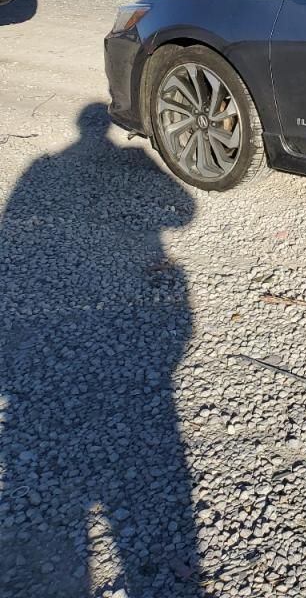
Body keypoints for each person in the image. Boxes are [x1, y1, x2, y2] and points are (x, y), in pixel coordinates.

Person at [0, 105, 200, 598]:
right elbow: (185, 211)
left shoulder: (42, 168)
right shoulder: (114, 161)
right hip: (139, 357)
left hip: (33, 390)